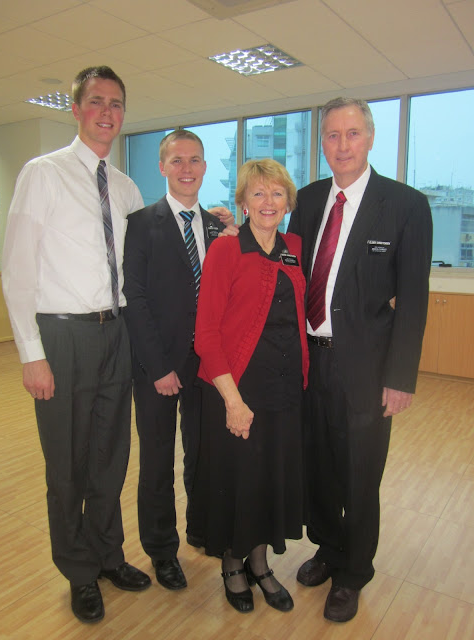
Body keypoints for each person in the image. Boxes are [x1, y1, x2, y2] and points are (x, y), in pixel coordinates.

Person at [1, 66, 151, 624]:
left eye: (116, 103)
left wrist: (213, 227)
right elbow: (18, 270)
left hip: (117, 333)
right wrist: (31, 353)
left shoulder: (128, 188)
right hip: (62, 336)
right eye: (96, 101)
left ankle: (108, 555)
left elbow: (148, 260)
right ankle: (78, 570)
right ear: (76, 109)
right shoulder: (43, 174)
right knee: (66, 464)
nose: (106, 112)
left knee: (110, 458)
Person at [288, 97, 433, 622]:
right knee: (320, 467)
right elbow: (285, 265)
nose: (342, 145)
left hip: (367, 370)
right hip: (311, 363)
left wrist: (400, 378)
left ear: (370, 137)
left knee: (359, 473)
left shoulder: (405, 205)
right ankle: (328, 549)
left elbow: (413, 298)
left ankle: (353, 571)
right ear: (322, 143)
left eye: (352, 133)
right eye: (332, 135)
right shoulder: (308, 200)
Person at [187, 159, 309, 614]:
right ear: (242, 203)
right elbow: (206, 334)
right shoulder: (226, 250)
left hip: (285, 388)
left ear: (288, 202)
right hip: (236, 388)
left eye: (277, 193)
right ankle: (233, 564)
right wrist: (233, 401)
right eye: (257, 193)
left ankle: (260, 562)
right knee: (238, 481)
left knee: (269, 479)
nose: (268, 202)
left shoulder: (294, 247)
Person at [122, 129, 231, 592]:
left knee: (203, 455)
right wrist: (158, 366)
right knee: (158, 461)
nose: (187, 169)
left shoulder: (217, 227)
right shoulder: (139, 223)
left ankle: (201, 529)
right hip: (158, 366)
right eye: (177, 160)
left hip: (206, 366)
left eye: (195, 160)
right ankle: (162, 550)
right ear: (162, 167)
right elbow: (134, 297)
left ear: (205, 167)